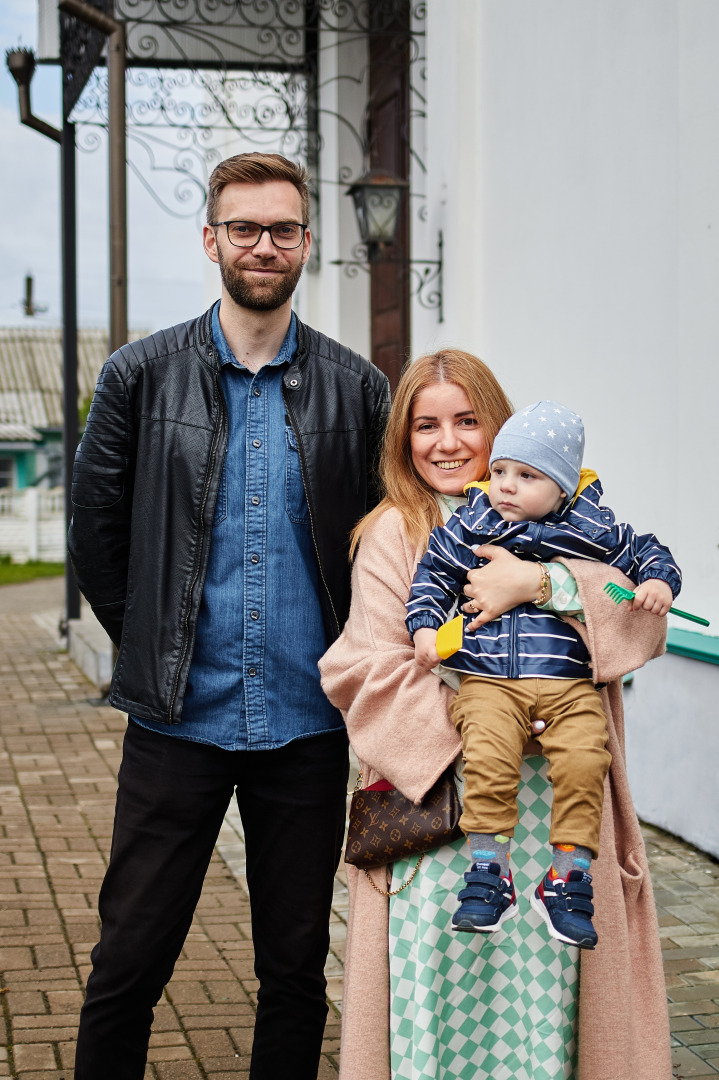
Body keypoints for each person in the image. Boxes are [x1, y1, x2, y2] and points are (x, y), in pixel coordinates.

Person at [67, 151, 390, 1080]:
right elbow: (96, 533)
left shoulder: (356, 387)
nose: (263, 245)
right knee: (128, 961)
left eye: (282, 229)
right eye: (242, 228)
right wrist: (154, 645)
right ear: (211, 239)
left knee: (293, 970)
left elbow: (380, 542)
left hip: (306, 724)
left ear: (305, 244)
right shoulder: (139, 375)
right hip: (178, 721)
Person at [319, 352, 672, 1080]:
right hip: (443, 808)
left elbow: (638, 625)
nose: (445, 442)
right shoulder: (395, 532)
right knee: (436, 1008)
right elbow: (366, 667)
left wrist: (540, 583)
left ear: (500, 432)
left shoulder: (571, 518)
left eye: (465, 421)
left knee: (546, 1012)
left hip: (556, 816)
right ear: (403, 439)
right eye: (425, 425)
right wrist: (491, 723)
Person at [406, 399, 681, 947]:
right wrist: (423, 630)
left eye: (527, 476)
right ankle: (490, 870)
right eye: (501, 470)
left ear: (562, 487)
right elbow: (433, 574)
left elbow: (647, 550)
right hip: (488, 678)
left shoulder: (591, 528)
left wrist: (658, 583)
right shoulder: (473, 520)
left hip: (566, 683)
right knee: (485, 752)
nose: (506, 485)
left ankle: (567, 877)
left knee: (585, 757)